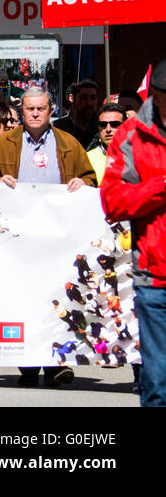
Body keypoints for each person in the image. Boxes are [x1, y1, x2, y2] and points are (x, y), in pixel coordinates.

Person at [0, 86, 95, 388]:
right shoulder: (2, 144)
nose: (34, 113)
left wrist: (79, 183)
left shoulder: (69, 144)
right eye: (29, 109)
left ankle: (55, 363)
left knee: (56, 299)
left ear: (50, 110)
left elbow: (88, 179)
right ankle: (28, 362)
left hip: (55, 238)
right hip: (16, 239)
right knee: (22, 299)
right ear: (21, 112)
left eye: (40, 109)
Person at [101, 60, 166, 407]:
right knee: (158, 384)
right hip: (155, 279)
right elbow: (113, 203)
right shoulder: (130, 135)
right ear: (153, 94)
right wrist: (160, 186)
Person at [86, 102, 127, 185]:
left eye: (114, 124)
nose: (108, 129)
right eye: (103, 124)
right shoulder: (87, 158)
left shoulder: (137, 156)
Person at [54, 78, 100, 149]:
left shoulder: (103, 126)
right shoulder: (58, 128)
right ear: (71, 98)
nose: (89, 103)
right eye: (84, 98)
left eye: (93, 98)